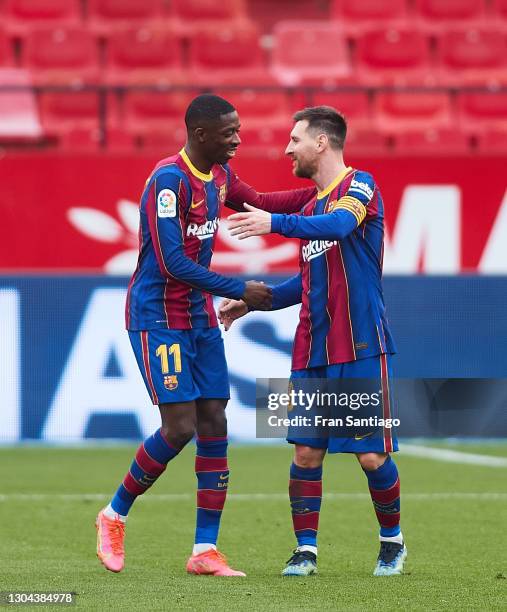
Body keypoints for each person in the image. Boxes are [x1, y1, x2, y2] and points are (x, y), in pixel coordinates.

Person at [95, 94, 315, 576]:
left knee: (215, 419)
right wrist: (242, 289)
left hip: (198, 318)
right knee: (180, 428)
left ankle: (204, 551)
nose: (238, 138)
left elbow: (260, 203)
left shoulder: (220, 177)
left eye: (238, 129)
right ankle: (113, 514)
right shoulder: (168, 182)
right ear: (200, 134)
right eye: (229, 131)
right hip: (158, 317)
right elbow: (173, 264)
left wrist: (324, 189)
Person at [220, 106, 406, 577]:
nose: (287, 148)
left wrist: (273, 224)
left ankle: (392, 543)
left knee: (370, 454)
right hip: (311, 349)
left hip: (361, 344)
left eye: (295, 139)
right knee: (305, 451)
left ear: (321, 142)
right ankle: (305, 550)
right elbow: (303, 277)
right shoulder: (307, 206)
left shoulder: (361, 186)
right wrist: (252, 301)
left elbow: (340, 226)